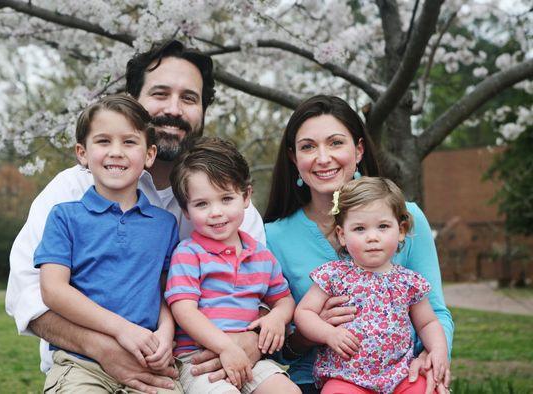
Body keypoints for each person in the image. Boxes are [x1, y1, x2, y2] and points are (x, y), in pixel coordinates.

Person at [6, 40, 264, 393]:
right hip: (85, 367)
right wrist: (101, 347)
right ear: (133, 99)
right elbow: (28, 294)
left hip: (189, 370)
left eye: (189, 99)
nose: (174, 109)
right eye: (160, 93)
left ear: (203, 110)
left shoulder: (228, 201)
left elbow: (262, 290)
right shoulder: (70, 192)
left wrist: (251, 337)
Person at [263, 95, 454, 394]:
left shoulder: (407, 215)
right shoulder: (273, 237)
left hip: (402, 374)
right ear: (293, 157)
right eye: (308, 146)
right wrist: (310, 334)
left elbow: (435, 314)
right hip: (318, 383)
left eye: (336, 142)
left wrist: (430, 356)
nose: (323, 157)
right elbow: (272, 348)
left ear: (359, 149)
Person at [34, 94, 181, 392]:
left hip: (148, 360)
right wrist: (121, 329)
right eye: (103, 141)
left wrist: (166, 332)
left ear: (149, 155)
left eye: (129, 142)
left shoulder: (164, 224)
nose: (116, 152)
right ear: (82, 153)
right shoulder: (65, 217)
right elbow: (53, 290)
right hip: (81, 364)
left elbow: (166, 292)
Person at [165, 136, 300, 394]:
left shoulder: (261, 256)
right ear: (186, 210)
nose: (216, 212)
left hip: (248, 357)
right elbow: (184, 311)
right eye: (202, 204)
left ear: (246, 196)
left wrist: (277, 318)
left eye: (226, 199)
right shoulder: (189, 254)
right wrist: (225, 348)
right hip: (200, 359)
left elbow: (283, 299)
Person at [294, 177, 449, 394]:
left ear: (401, 230)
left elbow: (428, 323)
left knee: (425, 390)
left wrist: (438, 349)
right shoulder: (334, 275)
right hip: (346, 377)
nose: (372, 237)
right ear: (342, 235)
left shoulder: (408, 282)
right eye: (359, 229)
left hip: (400, 375)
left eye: (383, 226)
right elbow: (304, 312)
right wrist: (328, 333)